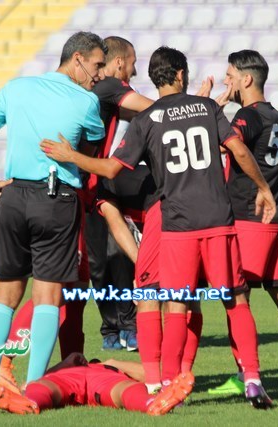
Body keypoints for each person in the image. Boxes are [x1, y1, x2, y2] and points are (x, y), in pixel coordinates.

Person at [41, 46, 277, 410]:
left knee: (175, 303)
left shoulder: (146, 120)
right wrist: (263, 188)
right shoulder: (209, 108)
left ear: (155, 79)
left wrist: (71, 156)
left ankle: (165, 384)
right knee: (236, 300)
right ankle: (252, 380)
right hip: (217, 220)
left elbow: (111, 170)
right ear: (181, 74)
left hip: (176, 225)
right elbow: (240, 152)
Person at [0, 31, 107, 408]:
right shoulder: (86, 100)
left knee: (4, 294)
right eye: (96, 65)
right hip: (56, 199)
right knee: (48, 295)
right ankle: (34, 387)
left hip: (12, 197)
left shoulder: (18, 87)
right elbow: (91, 147)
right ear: (77, 59)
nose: (100, 74)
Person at [208, 50, 278, 396]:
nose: (226, 81)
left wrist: (216, 106)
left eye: (230, 76)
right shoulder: (276, 115)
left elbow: (229, 145)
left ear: (246, 79)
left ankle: (248, 375)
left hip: (248, 215)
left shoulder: (247, 116)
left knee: (236, 297)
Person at [85, 36, 153, 351]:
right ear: (120, 62)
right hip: (87, 181)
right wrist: (192, 109)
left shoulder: (103, 93)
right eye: (134, 62)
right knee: (99, 263)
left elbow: (140, 116)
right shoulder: (110, 86)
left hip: (98, 181)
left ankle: (126, 326)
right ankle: (111, 327)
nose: (135, 69)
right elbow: (152, 110)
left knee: (112, 256)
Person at [0, 352, 194, 416]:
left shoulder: (109, 365)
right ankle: (29, 402)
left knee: (124, 390)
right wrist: (68, 361)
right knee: (45, 387)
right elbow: (35, 380)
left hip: (104, 377)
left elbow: (148, 374)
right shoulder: (62, 369)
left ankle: (152, 403)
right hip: (66, 377)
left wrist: (111, 362)